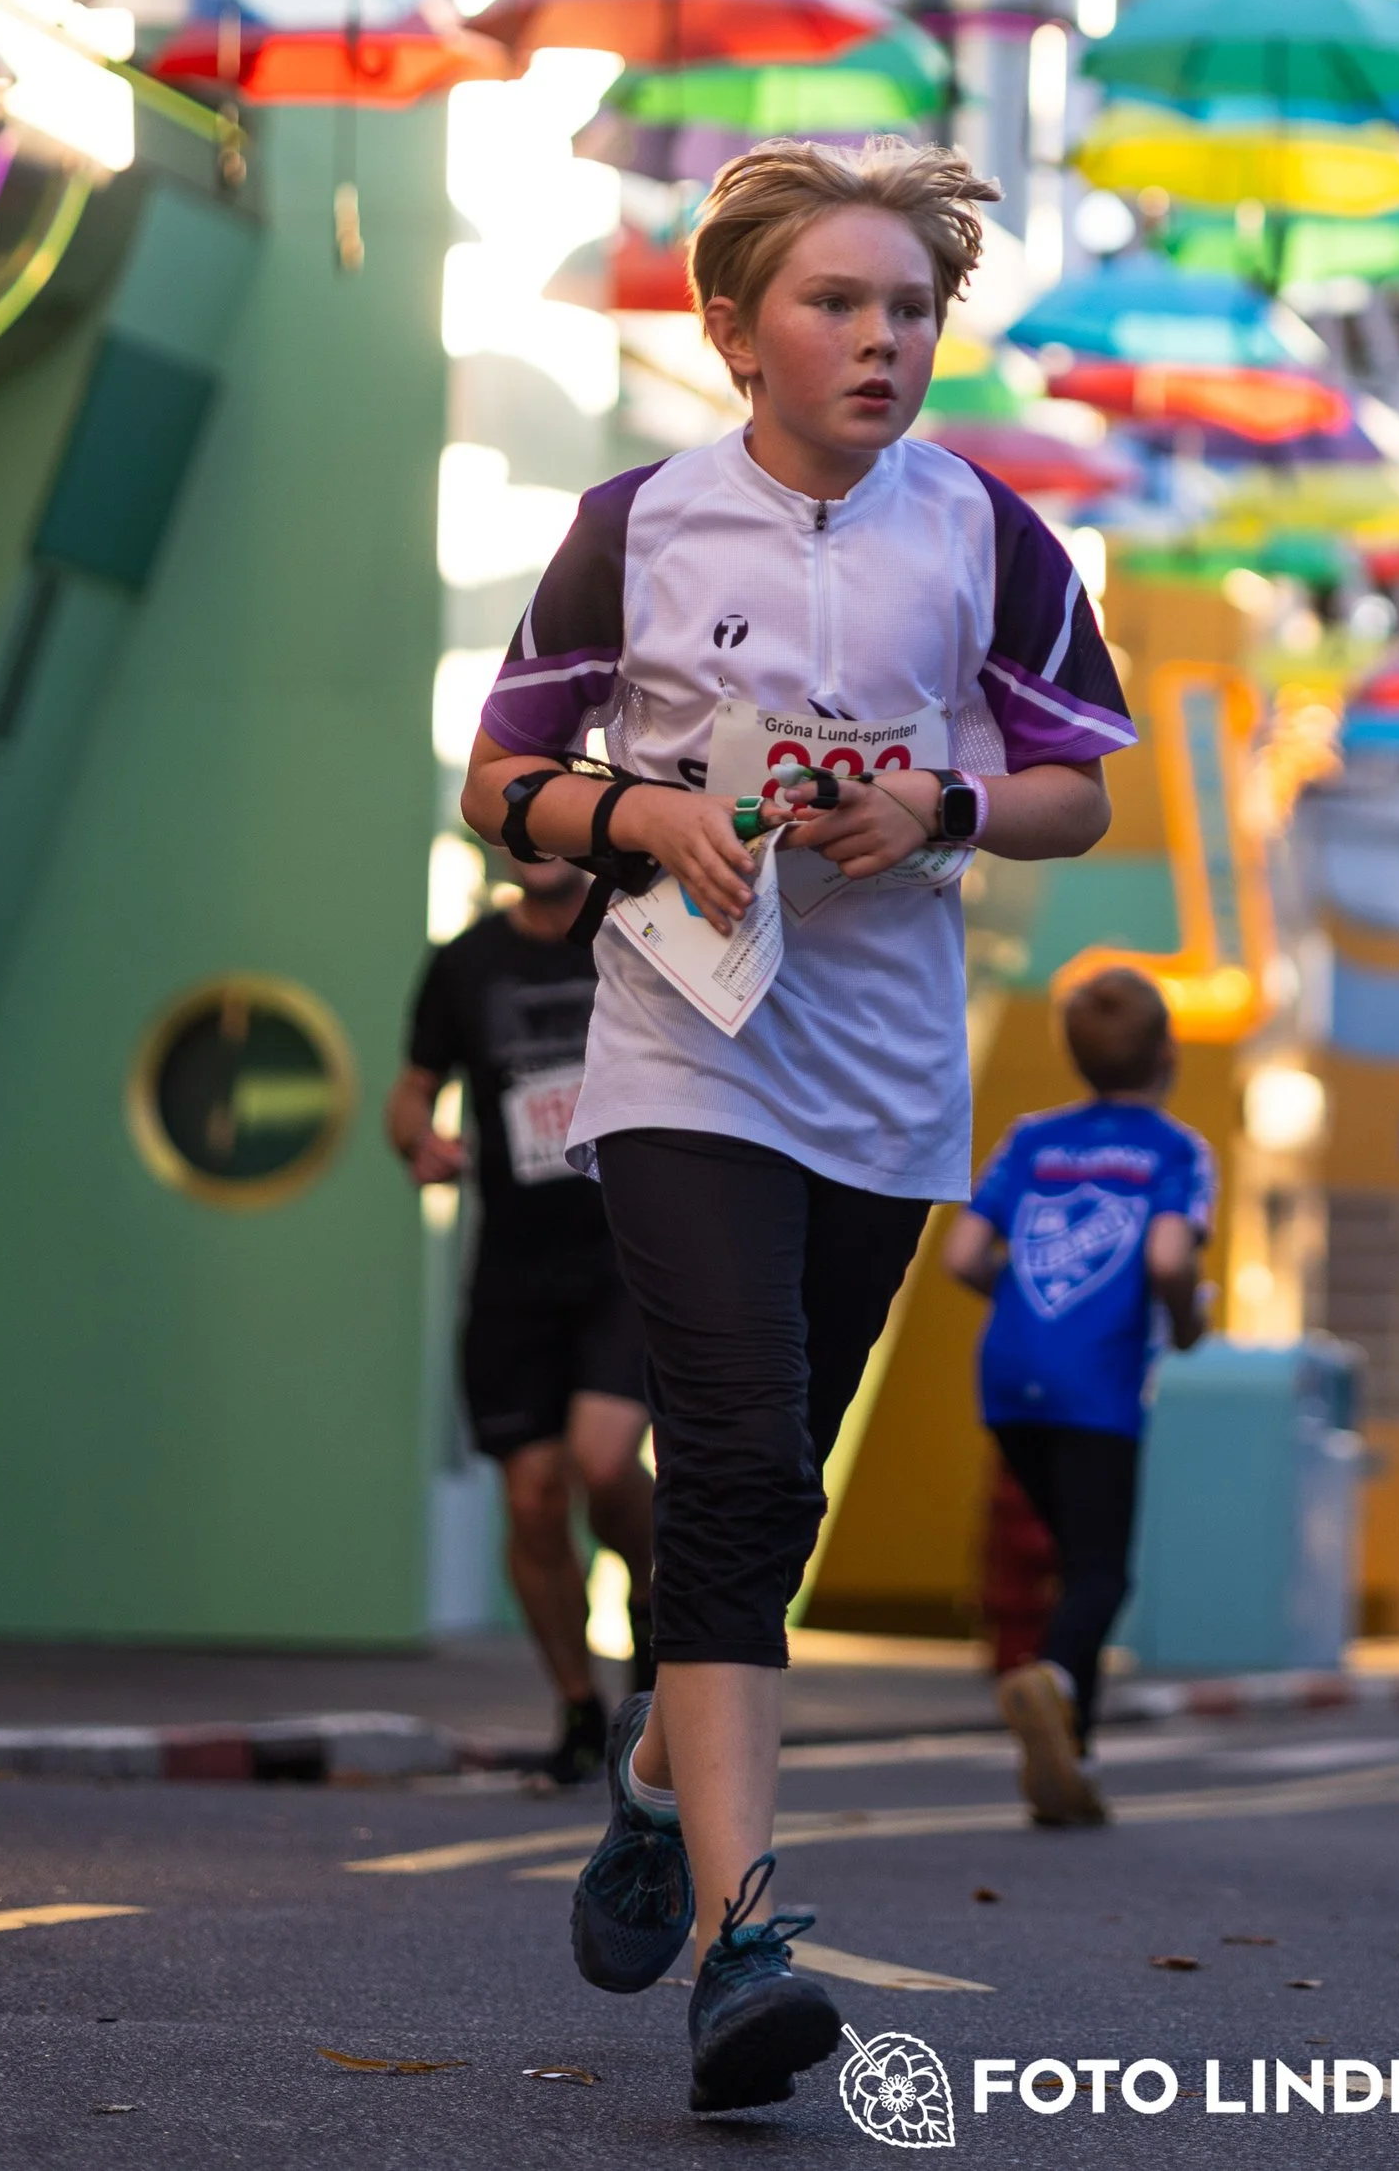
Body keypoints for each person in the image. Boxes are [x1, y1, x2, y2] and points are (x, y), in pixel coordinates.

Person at [459, 137, 1130, 2118]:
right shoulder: (637, 524)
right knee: (733, 1453)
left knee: (781, 1486)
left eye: (909, 310)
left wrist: (937, 806)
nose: (881, 341)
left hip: (884, 1079)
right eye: (838, 306)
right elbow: (498, 773)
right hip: (683, 1051)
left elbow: (1078, 789)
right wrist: (632, 813)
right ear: (736, 329)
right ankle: (741, 1942)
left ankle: (664, 1773)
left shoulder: (982, 533)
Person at [387, 850, 654, 1781]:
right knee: (534, 1499)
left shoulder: (637, 930)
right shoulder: (466, 962)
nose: (538, 850)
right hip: (512, 1272)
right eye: (521, 829)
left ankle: (659, 1610)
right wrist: (418, 1140)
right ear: (504, 843)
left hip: (628, 1255)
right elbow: (412, 1090)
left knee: (603, 1459)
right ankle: (581, 1710)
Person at [942, 965, 1213, 1828]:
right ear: (1168, 1050)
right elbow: (1169, 1258)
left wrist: (1021, 1300)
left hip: (1009, 1374)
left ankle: (1075, 1760)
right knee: (1100, 1571)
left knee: (1072, 1560)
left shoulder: (1029, 1140)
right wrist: (1187, 1320)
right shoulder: (1174, 1150)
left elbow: (960, 1256)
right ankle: (1052, 1681)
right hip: (1096, 1383)